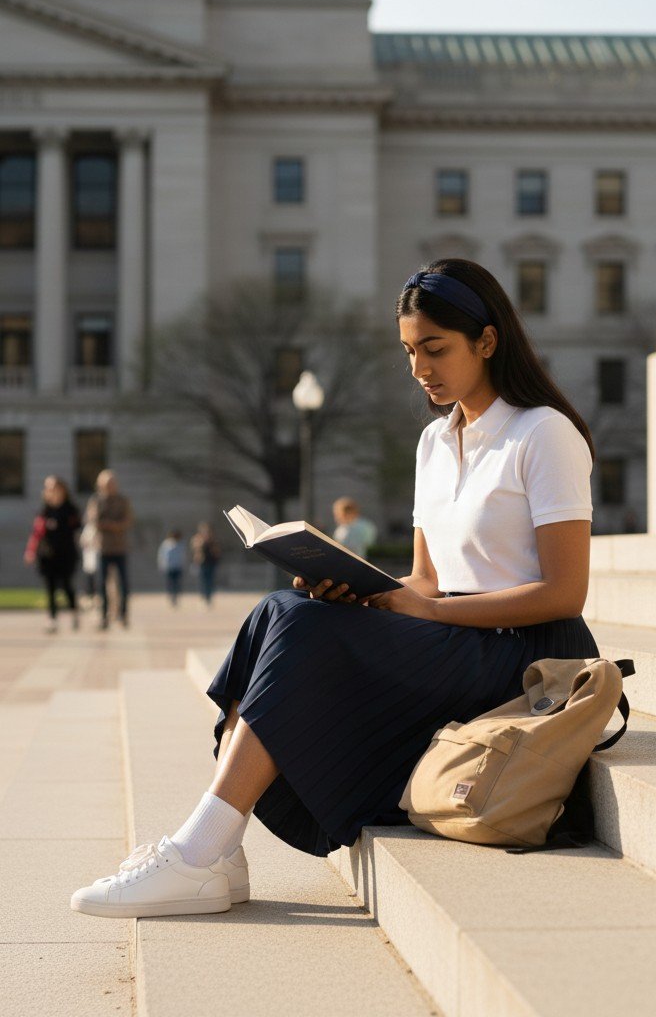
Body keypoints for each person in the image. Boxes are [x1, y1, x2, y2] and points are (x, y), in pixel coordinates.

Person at [71, 258, 598, 918]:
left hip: (523, 654)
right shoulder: (435, 442)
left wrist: (426, 607)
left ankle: (198, 852)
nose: (419, 368)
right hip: (451, 635)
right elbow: (426, 579)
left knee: (302, 630)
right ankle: (219, 853)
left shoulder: (543, 433)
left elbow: (564, 592)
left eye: (434, 349)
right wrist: (365, 589)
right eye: (408, 351)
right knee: (282, 610)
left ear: (486, 342)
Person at [24, 475, 81, 634]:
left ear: (62, 490)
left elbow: (77, 530)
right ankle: (52, 619)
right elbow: (36, 533)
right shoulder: (44, 511)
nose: (51, 491)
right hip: (47, 555)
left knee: (66, 585)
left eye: (54, 488)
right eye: (48, 488)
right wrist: (30, 551)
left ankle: (74, 612)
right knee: (50, 587)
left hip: (66, 555)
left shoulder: (70, 510)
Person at [90, 469, 134, 631]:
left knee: (124, 583)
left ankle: (123, 614)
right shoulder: (97, 501)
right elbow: (95, 520)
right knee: (102, 583)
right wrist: (114, 525)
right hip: (103, 547)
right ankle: (104, 615)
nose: (110, 486)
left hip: (120, 547)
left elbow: (128, 520)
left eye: (112, 483)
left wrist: (111, 525)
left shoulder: (123, 500)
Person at [191, 522, 221, 606]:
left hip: (211, 562)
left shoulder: (213, 540)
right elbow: (195, 548)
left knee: (210, 581)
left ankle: (209, 597)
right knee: (202, 580)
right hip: (202, 562)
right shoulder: (198, 538)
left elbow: (217, 551)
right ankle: (203, 596)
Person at [79, 499, 100, 605]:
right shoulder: (88, 527)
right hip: (89, 556)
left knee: (99, 578)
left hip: (99, 556)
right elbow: (82, 541)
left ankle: (97, 595)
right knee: (90, 578)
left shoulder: (99, 526)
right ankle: (90, 595)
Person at [158, 529, 186, 607]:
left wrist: (183, 564)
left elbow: (183, 555)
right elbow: (161, 554)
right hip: (169, 567)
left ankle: (176, 597)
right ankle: (171, 596)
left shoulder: (181, 543)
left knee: (177, 583)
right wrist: (161, 564)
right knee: (170, 583)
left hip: (178, 566)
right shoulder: (166, 543)